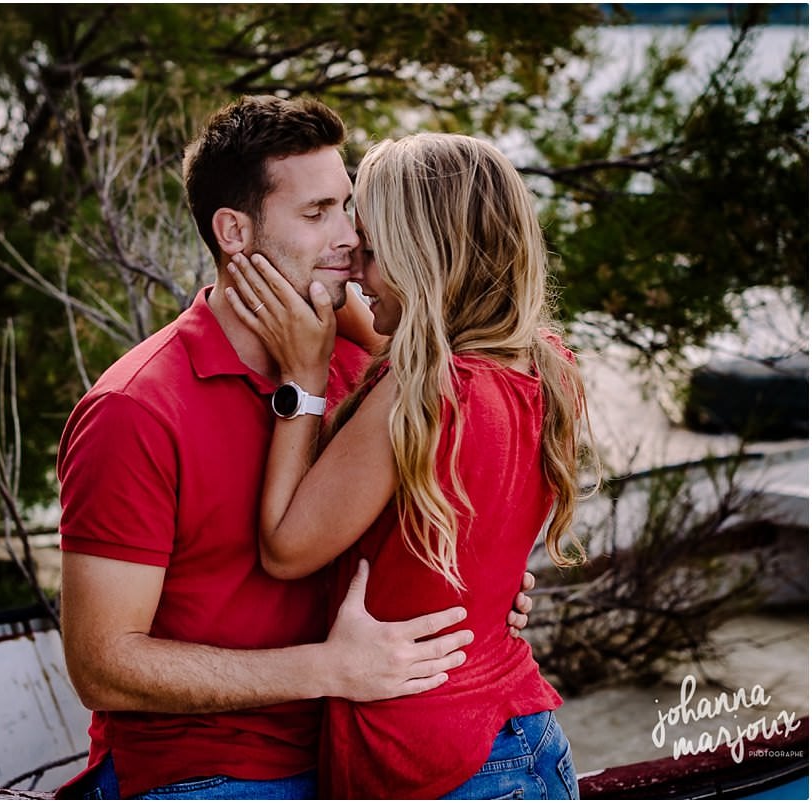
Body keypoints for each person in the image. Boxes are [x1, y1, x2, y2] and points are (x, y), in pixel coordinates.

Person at [55, 97, 534, 800]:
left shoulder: (368, 360)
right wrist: (328, 669)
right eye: (316, 215)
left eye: (349, 206)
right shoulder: (134, 410)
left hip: (368, 739)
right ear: (234, 232)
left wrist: (491, 589)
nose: (350, 237)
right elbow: (101, 665)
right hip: (217, 768)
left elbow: (474, 454)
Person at [225, 132, 595, 799]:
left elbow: (285, 546)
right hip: (522, 730)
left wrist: (304, 380)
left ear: (419, 256)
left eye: (371, 248)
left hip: (440, 765)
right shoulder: (549, 365)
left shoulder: (425, 393)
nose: (359, 270)